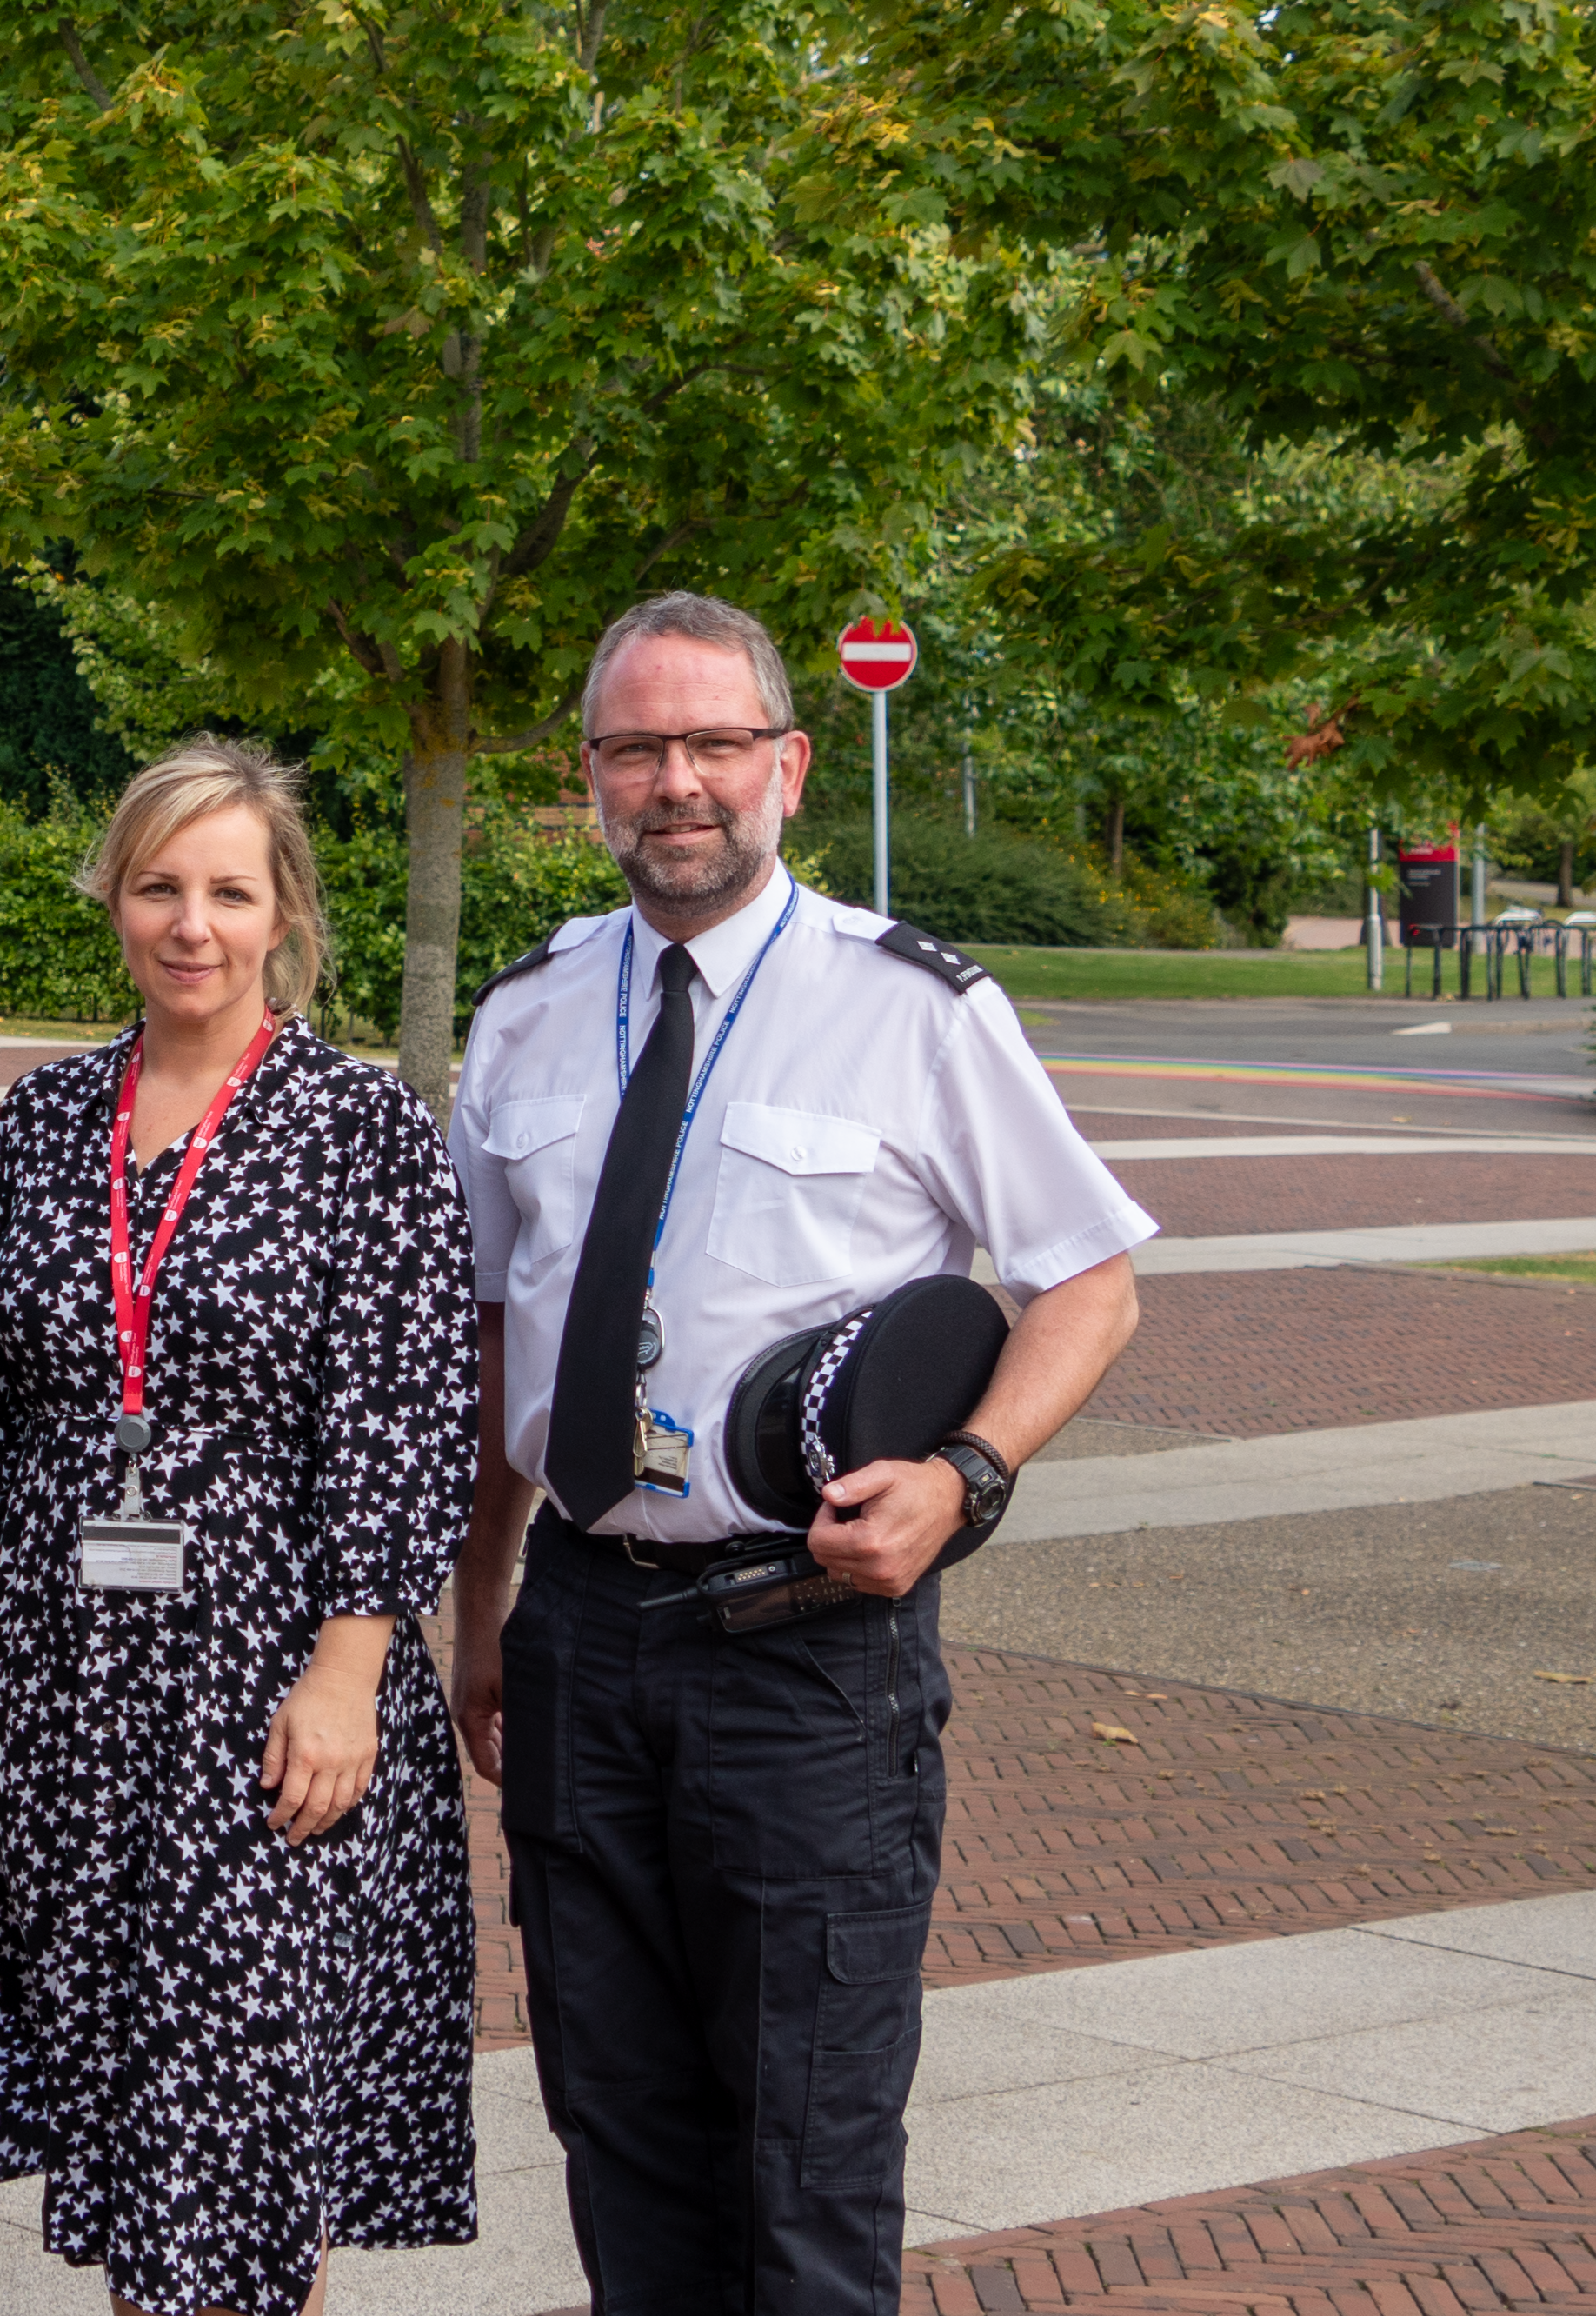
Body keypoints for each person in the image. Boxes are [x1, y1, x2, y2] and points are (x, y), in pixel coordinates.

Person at [444, 592, 1155, 2316]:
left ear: (791, 762)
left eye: (712, 744)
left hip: (805, 1652)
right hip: (582, 1639)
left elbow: (1088, 1278)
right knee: (620, 2142)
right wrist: (480, 1613)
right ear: (589, 773)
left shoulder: (913, 1004)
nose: (675, 781)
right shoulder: (529, 1008)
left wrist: (965, 1477)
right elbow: (491, 1342)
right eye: (636, 746)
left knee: (808, 2164)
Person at [0, 739, 478, 2316]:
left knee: (233, 2116)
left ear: (285, 910)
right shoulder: (47, 1122)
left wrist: (349, 1673)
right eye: (159, 885)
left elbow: (407, 1416)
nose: (192, 923)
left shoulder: (362, 1129)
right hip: (66, 1682)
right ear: (112, 897)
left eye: (230, 890)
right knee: (124, 2103)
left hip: (268, 1685)